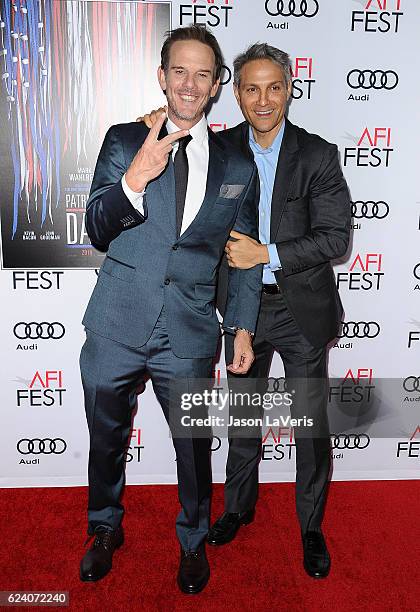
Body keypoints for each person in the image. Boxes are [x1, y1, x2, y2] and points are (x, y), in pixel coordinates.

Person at [140, 43, 351, 579]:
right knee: (243, 419)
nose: (263, 99)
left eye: (274, 87)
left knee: (309, 426)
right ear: (234, 93)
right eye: (251, 88)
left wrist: (269, 254)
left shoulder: (319, 154)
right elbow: (164, 152)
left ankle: (310, 527)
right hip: (241, 311)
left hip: (301, 308)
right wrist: (154, 123)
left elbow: (335, 238)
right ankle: (238, 508)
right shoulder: (216, 147)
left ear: (289, 89)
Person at [79, 25, 262, 595]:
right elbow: (98, 228)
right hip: (116, 322)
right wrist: (135, 177)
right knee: (106, 439)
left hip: (187, 328)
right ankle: (104, 529)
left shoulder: (237, 163)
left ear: (215, 86)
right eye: (178, 71)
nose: (189, 83)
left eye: (202, 74)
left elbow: (247, 255)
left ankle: (192, 540)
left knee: (192, 448)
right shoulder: (122, 138)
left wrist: (242, 328)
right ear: (162, 77)